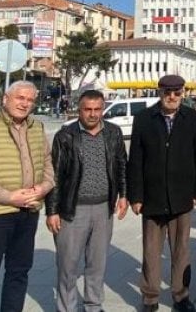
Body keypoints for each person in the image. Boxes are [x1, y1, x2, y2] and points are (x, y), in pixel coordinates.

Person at [0, 80, 54, 312]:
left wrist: (44, 187)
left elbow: (47, 162)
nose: (24, 104)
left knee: (19, 272)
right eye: (20, 98)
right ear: (6, 99)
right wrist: (8, 197)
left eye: (30, 100)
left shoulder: (37, 128)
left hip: (28, 211)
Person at [46, 89, 129, 312]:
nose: (92, 114)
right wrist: (52, 210)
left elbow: (121, 164)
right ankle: (66, 307)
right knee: (68, 264)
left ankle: (93, 305)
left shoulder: (113, 132)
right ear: (79, 110)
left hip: (104, 208)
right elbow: (54, 175)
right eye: (87, 109)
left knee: (97, 263)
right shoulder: (65, 136)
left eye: (97, 109)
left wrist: (124, 195)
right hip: (73, 209)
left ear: (103, 109)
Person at [129, 74, 196, 312]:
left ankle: (181, 296)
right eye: (167, 92)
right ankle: (150, 298)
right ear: (159, 92)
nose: (172, 97)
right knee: (151, 252)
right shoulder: (143, 119)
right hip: (152, 197)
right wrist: (136, 196)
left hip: (181, 195)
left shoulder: (191, 117)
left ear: (183, 93)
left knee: (181, 250)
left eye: (177, 92)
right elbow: (136, 160)